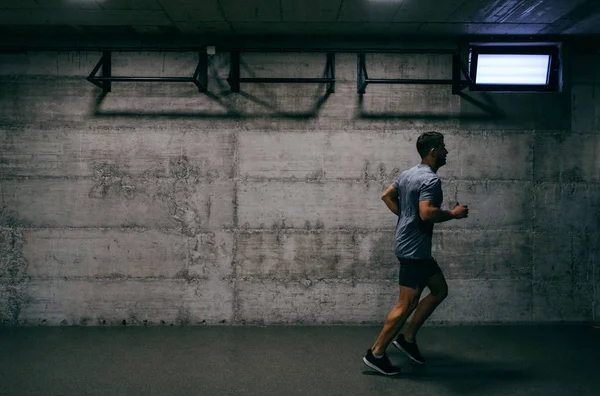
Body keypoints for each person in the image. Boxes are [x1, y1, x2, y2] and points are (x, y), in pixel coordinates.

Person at [362, 131, 469, 376]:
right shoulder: (430, 180)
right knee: (406, 303)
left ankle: (408, 338)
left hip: (413, 248)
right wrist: (453, 213)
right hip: (414, 251)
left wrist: (404, 216)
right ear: (433, 151)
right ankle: (376, 353)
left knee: (440, 289)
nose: (446, 151)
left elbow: (386, 195)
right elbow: (427, 213)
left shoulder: (408, 173)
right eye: (443, 147)